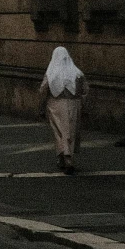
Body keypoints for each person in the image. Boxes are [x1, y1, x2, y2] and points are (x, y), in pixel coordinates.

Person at [42, 44, 86, 173]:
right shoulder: (77, 73)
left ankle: (63, 158)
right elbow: (84, 90)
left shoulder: (51, 73)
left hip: (55, 105)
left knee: (59, 132)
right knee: (70, 131)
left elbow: (44, 89)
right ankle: (68, 157)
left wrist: (41, 106)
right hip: (74, 104)